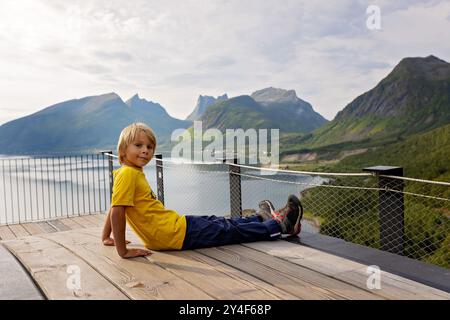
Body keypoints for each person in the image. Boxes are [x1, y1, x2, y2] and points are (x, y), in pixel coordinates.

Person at [101, 122, 303, 258]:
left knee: (218, 221)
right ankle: (279, 227)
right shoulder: (128, 174)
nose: (145, 150)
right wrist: (122, 250)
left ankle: (259, 218)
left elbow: (113, 207)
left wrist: (106, 237)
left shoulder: (126, 173)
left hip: (175, 226)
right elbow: (118, 210)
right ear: (123, 150)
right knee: (227, 231)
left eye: (149, 146)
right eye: (138, 145)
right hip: (171, 236)